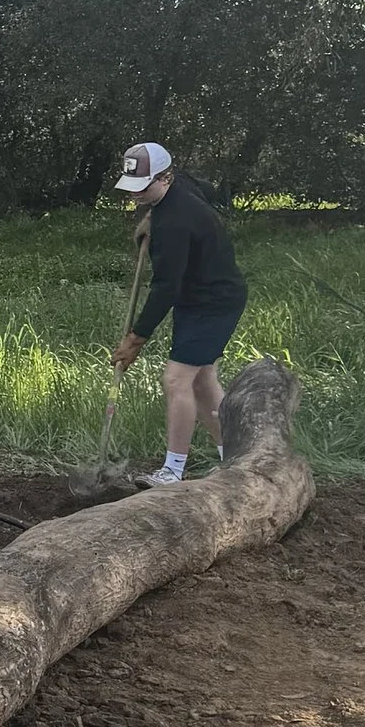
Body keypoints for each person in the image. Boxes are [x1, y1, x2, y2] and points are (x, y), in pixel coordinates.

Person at [110, 141, 248, 484]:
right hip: (197, 296)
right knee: (202, 380)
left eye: (143, 189)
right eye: (133, 188)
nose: (135, 195)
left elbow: (165, 288)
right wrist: (150, 215)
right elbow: (199, 187)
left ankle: (172, 471)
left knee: (175, 380)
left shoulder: (176, 222)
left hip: (214, 302)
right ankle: (235, 459)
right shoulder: (175, 190)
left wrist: (136, 338)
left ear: (166, 177)